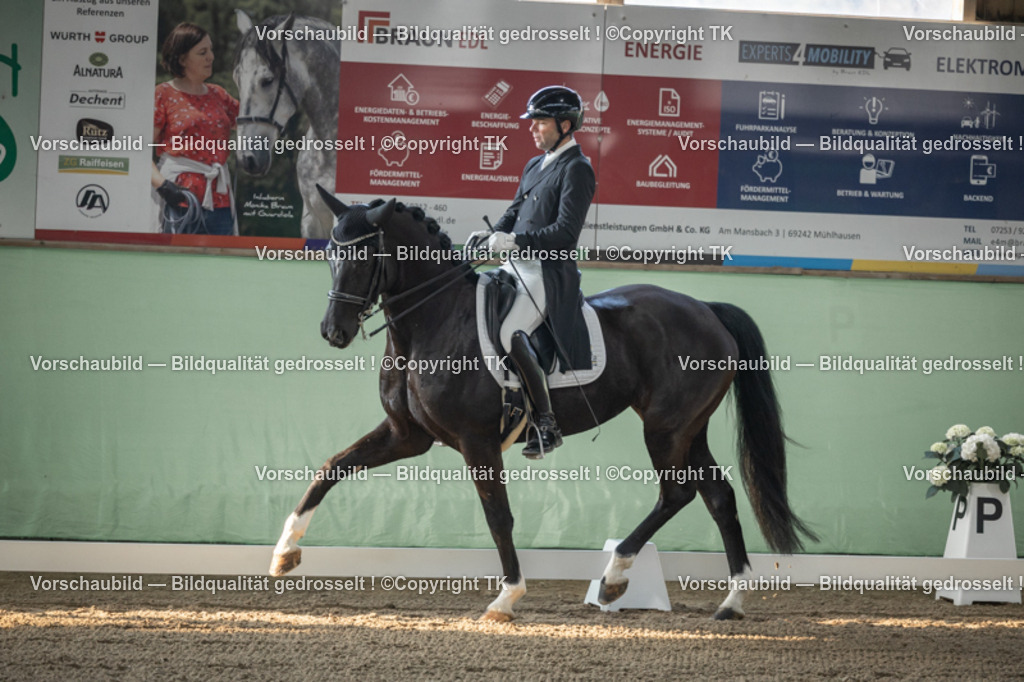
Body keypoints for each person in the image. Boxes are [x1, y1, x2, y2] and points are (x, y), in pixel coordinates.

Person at [470, 86, 595, 459]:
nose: (532, 129)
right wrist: (494, 235)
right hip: (514, 266)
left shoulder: (577, 169)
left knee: (510, 332)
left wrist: (513, 243)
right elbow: (513, 212)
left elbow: (564, 234)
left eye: (540, 122)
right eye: (533, 122)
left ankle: (546, 422)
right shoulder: (533, 165)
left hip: (547, 272)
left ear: (565, 124)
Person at [151, 22, 239, 235]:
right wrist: (163, 187)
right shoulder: (163, 94)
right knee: (178, 265)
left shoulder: (219, 95)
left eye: (211, 50)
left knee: (220, 265)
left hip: (220, 201)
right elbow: (139, 151)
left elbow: (253, 122)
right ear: (182, 59)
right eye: (202, 52)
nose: (211, 57)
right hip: (179, 198)